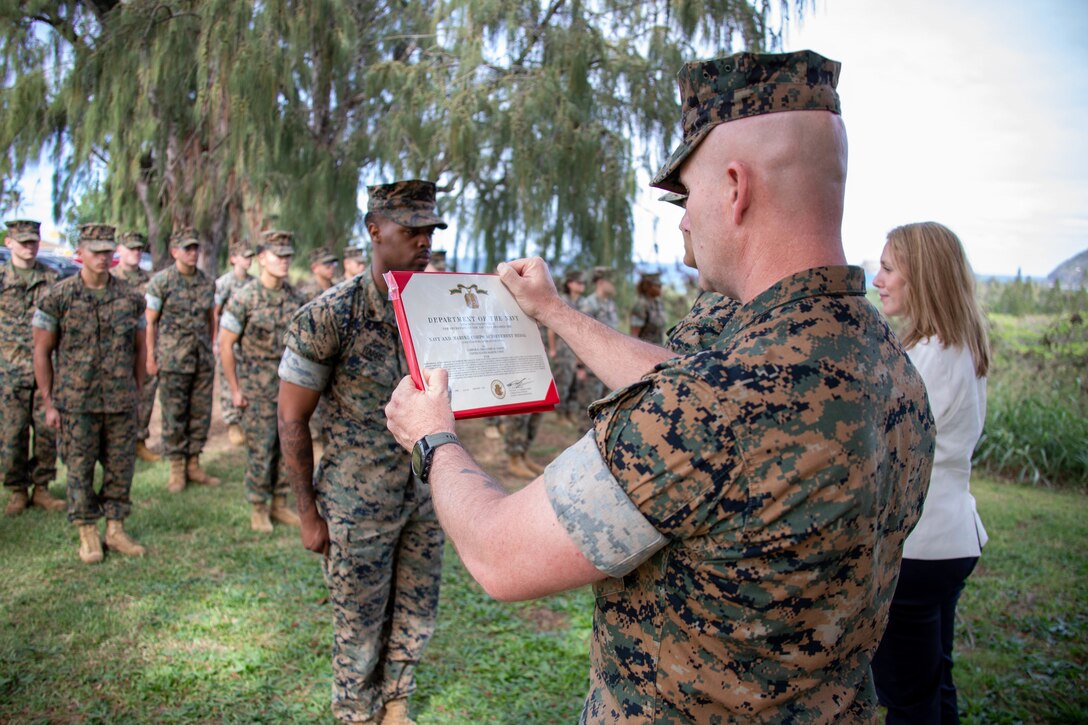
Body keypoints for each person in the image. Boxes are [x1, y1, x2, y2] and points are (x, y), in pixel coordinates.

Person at [384, 50, 936, 721]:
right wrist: (555, 312)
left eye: (689, 195)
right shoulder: (889, 365)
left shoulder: (715, 405)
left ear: (735, 188)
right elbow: (697, 387)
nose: (681, 220)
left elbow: (500, 553)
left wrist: (434, 437)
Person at [278, 180, 449, 725]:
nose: (424, 241)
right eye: (411, 230)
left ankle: (396, 701)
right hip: (357, 502)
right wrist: (308, 512)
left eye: (431, 231)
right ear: (375, 231)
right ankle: (356, 712)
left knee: (417, 605)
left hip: (424, 491)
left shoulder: (436, 307)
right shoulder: (331, 315)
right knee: (358, 620)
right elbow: (291, 418)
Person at [871, 221, 991, 724]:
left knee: (909, 700)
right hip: (952, 539)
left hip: (918, 549)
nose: (876, 279)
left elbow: (884, 449)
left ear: (920, 276)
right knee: (933, 682)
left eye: (887, 268)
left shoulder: (926, 359)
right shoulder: (958, 347)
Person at [32, 223, 147, 563]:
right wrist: (49, 402)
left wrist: (138, 393)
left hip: (120, 401)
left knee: (120, 467)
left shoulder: (131, 297)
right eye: (94, 250)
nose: (102, 256)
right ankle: (87, 532)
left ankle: (115, 528)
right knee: (79, 468)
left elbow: (141, 350)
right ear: (79, 253)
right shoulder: (58, 296)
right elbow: (41, 351)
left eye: (106, 250)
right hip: (76, 402)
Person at [219, 231, 306, 533]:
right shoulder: (244, 297)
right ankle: (258, 506)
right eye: (277, 255)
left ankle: (279, 502)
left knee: (288, 447)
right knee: (260, 448)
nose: (284, 261)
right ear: (261, 259)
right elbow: (226, 344)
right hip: (256, 391)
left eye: (287, 255)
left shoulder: (296, 298)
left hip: (291, 390)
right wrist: (235, 389)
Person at [145, 227, 221, 492]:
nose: (192, 253)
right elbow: (150, 323)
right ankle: (176, 467)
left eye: (195, 248)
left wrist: (210, 346)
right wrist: (151, 358)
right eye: (187, 248)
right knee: (174, 414)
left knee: (200, 413)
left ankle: (193, 463)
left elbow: (211, 318)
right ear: (174, 251)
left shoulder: (207, 282)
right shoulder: (161, 282)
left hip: (201, 359)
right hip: (172, 360)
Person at [1, 219, 64, 516]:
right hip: (8, 372)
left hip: (45, 371)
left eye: (33, 242)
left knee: (46, 431)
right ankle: (17, 490)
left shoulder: (51, 279)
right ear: (8, 243)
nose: (29, 247)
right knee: (12, 434)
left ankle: (42, 489)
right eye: (23, 242)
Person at [112, 231, 162, 463]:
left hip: (144, 345)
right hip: (115, 349)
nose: (135, 252)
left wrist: (152, 353)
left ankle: (139, 441)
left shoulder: (151, 281)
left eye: (138, 249)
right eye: (130, 248)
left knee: (145, 394)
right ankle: (116, 444)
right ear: (119, 250)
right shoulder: (110, 278)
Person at [214, 242, 256, 447]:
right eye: (243, 256)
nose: (248, 260)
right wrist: (216, 339)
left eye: (250, 256)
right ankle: (232, 421)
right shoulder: (224, 283)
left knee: (246, 379)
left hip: (247, 343)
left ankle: (246, 419)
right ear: (233, 259)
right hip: (228, 338)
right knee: (226, 379)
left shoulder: (254, 282)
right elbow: (215, 312)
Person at [548, 269, 588, 424]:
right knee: (562, 382)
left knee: (574, 383)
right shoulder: (561, 300)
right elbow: (552, 328)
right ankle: (560, 414)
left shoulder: (583, 302)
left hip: (578, 349)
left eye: (584, 283)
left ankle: (569, 412)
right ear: (570, 284)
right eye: (579, 282)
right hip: (563, 348)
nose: (582, 285)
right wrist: (552, 348)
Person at [578, 266, 618, 413]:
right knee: (588, 410)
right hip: (592, 366)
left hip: (609, 365)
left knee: (605, 410)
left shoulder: (610, 304)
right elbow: (580, 337)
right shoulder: (589, 304)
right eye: (612, 282)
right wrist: (580, 367)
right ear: (601, 282)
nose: (615, 286)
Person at [629, 271, 666, 344]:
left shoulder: (657, 304)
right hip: (644, 350)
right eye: (657, 285)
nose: (660, 288)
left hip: (657, 349)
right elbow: (634, 335)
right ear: (648, 287)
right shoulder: (641, 305)